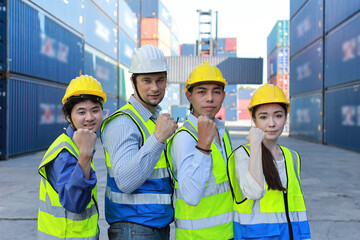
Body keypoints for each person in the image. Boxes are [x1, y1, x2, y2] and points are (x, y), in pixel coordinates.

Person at [100, 45, 178, 240]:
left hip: (152, 226)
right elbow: (126, 182)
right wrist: (158, 138)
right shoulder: (123, 123)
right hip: (134, 229)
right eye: (146, 81)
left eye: (160, 80)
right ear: (133, 82)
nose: (154, 87)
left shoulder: (152, 120)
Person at [227, 83, 311, 240]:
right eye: (263, 117)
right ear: (254, 120)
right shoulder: (243, 154)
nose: (271, 124)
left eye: (278, 116)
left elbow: (296, 207)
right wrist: (255, 144)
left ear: (286, 118)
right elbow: (254, 191)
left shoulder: (292, 157)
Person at [166, 62, 234, 239]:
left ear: (224, 95)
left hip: (227, 233)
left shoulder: (222, 131)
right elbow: (191, 196)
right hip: (196, 236)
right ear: (189, 96)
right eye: (202, 92)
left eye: (216, 92)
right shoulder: (185, 138)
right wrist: (203, 146)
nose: (210, 98)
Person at [37, 75, 107, 239]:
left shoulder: (77, 144)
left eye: (95, 110)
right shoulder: (65, 153)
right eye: (81, 112)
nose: (89, 117)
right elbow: (74, 203)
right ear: (69, 117)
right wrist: (85, 155)